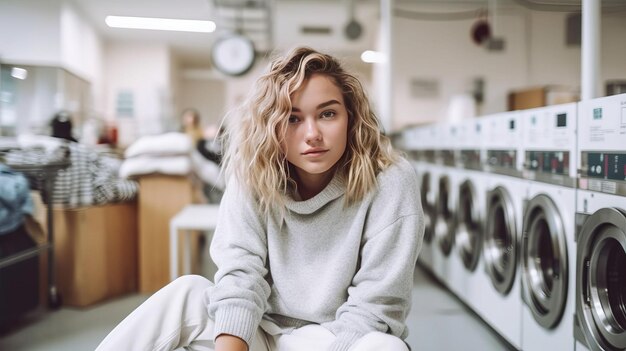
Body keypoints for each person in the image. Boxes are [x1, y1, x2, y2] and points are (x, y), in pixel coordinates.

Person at [95, 47, 424, 351]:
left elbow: (376, 303)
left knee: (384, 347)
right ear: (272, 125)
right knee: (187, 293)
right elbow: (240, 275)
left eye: (327, 114)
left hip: (337, 338)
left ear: (350, 117)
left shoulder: (390, 179)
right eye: (293, 118)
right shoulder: (253, 172)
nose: (312, 134)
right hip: (263, 332)